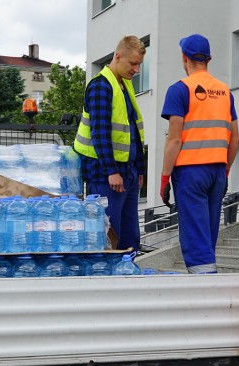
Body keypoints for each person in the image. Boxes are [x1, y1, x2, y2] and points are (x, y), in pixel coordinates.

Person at [159, 34, 239, 274]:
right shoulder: (225, 92)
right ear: (209, 59)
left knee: (195, 237)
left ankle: (207, 291)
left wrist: (165, 178)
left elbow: (174, 140)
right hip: (217, 171)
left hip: (190, 172)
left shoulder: (179, 90)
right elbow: (235, 139)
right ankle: (208, 282)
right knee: (207, 235)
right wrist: (224, 171)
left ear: (184, 58)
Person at [73, 35, 146, 251]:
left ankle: (128, 276)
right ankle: (108, 280)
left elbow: (132, 131)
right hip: (106, 175)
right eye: (133, 64)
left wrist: (139, 169)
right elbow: (100, 132)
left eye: (139, 64)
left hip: (128, 173)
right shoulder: (101, 86)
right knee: (108, 235)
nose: (136, 70)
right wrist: (111, 170)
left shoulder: (124, 85)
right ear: (117, 56)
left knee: (130, 236)